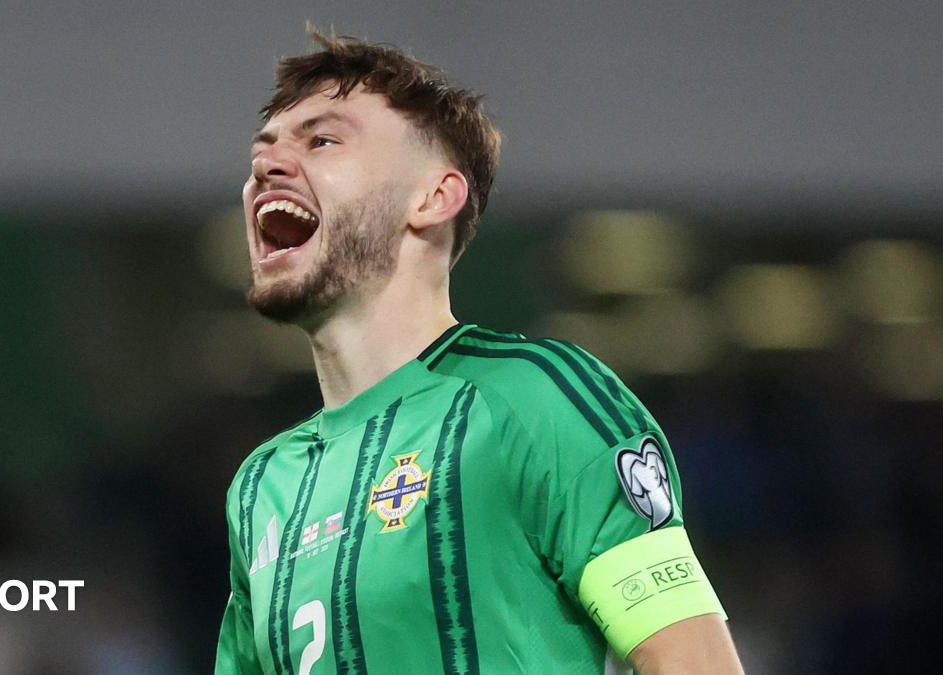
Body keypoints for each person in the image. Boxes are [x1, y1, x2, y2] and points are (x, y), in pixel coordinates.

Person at [216, 26, 744, 675]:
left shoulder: (536, 399)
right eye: (263, 149)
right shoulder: (261, 488)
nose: (266, 165)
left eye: (322, 140)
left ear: (433, 198)